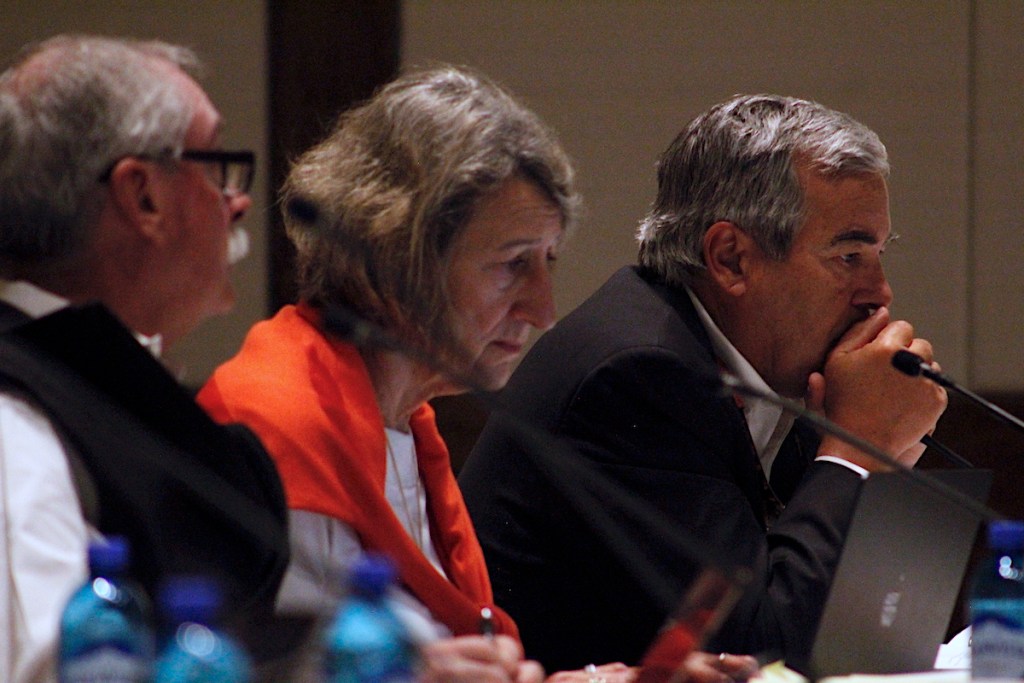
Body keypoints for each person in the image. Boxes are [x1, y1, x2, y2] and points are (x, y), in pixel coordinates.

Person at [458, 94, 948, 673]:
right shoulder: (638, 376)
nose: (880, 292)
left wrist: (882, 460)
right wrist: (856, 452)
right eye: (848, 255)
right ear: (732, 259)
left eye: (878, 254)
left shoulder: (764, 366)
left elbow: (887, 640)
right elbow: (765, 656)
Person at [0, 35, 289, 681]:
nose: (237, 200)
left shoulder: (114, 382)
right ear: (144, 197)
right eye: (215, 162)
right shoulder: (14, 425)